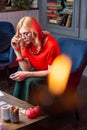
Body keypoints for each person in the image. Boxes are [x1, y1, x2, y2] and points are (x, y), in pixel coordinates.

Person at [10, 16, 60, 104]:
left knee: (30, 81)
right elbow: (26, 69)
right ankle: (17, 106)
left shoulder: (51, 45)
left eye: (26, 33)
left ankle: (29, 109)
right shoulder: (25, 42)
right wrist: (16, 50)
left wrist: (27, 74)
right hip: (38, 71)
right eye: (21, 34)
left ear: (35, 31)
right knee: (20, 77)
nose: (23, 37)